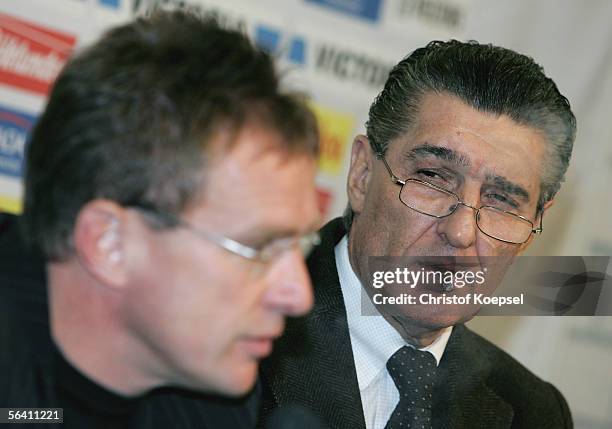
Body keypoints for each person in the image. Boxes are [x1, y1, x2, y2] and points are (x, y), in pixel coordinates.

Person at [0, 9, 321, 428]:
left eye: (300, 245)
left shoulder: (215, 406)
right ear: (109, 244)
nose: (299, 295)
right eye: (258, 247)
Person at [260, 40, 576, 429]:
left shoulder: (535, 412)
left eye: (501, 201)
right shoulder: (234, 333)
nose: (460, 231)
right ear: (361, 174)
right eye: (433, 178)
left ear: (532, 228)